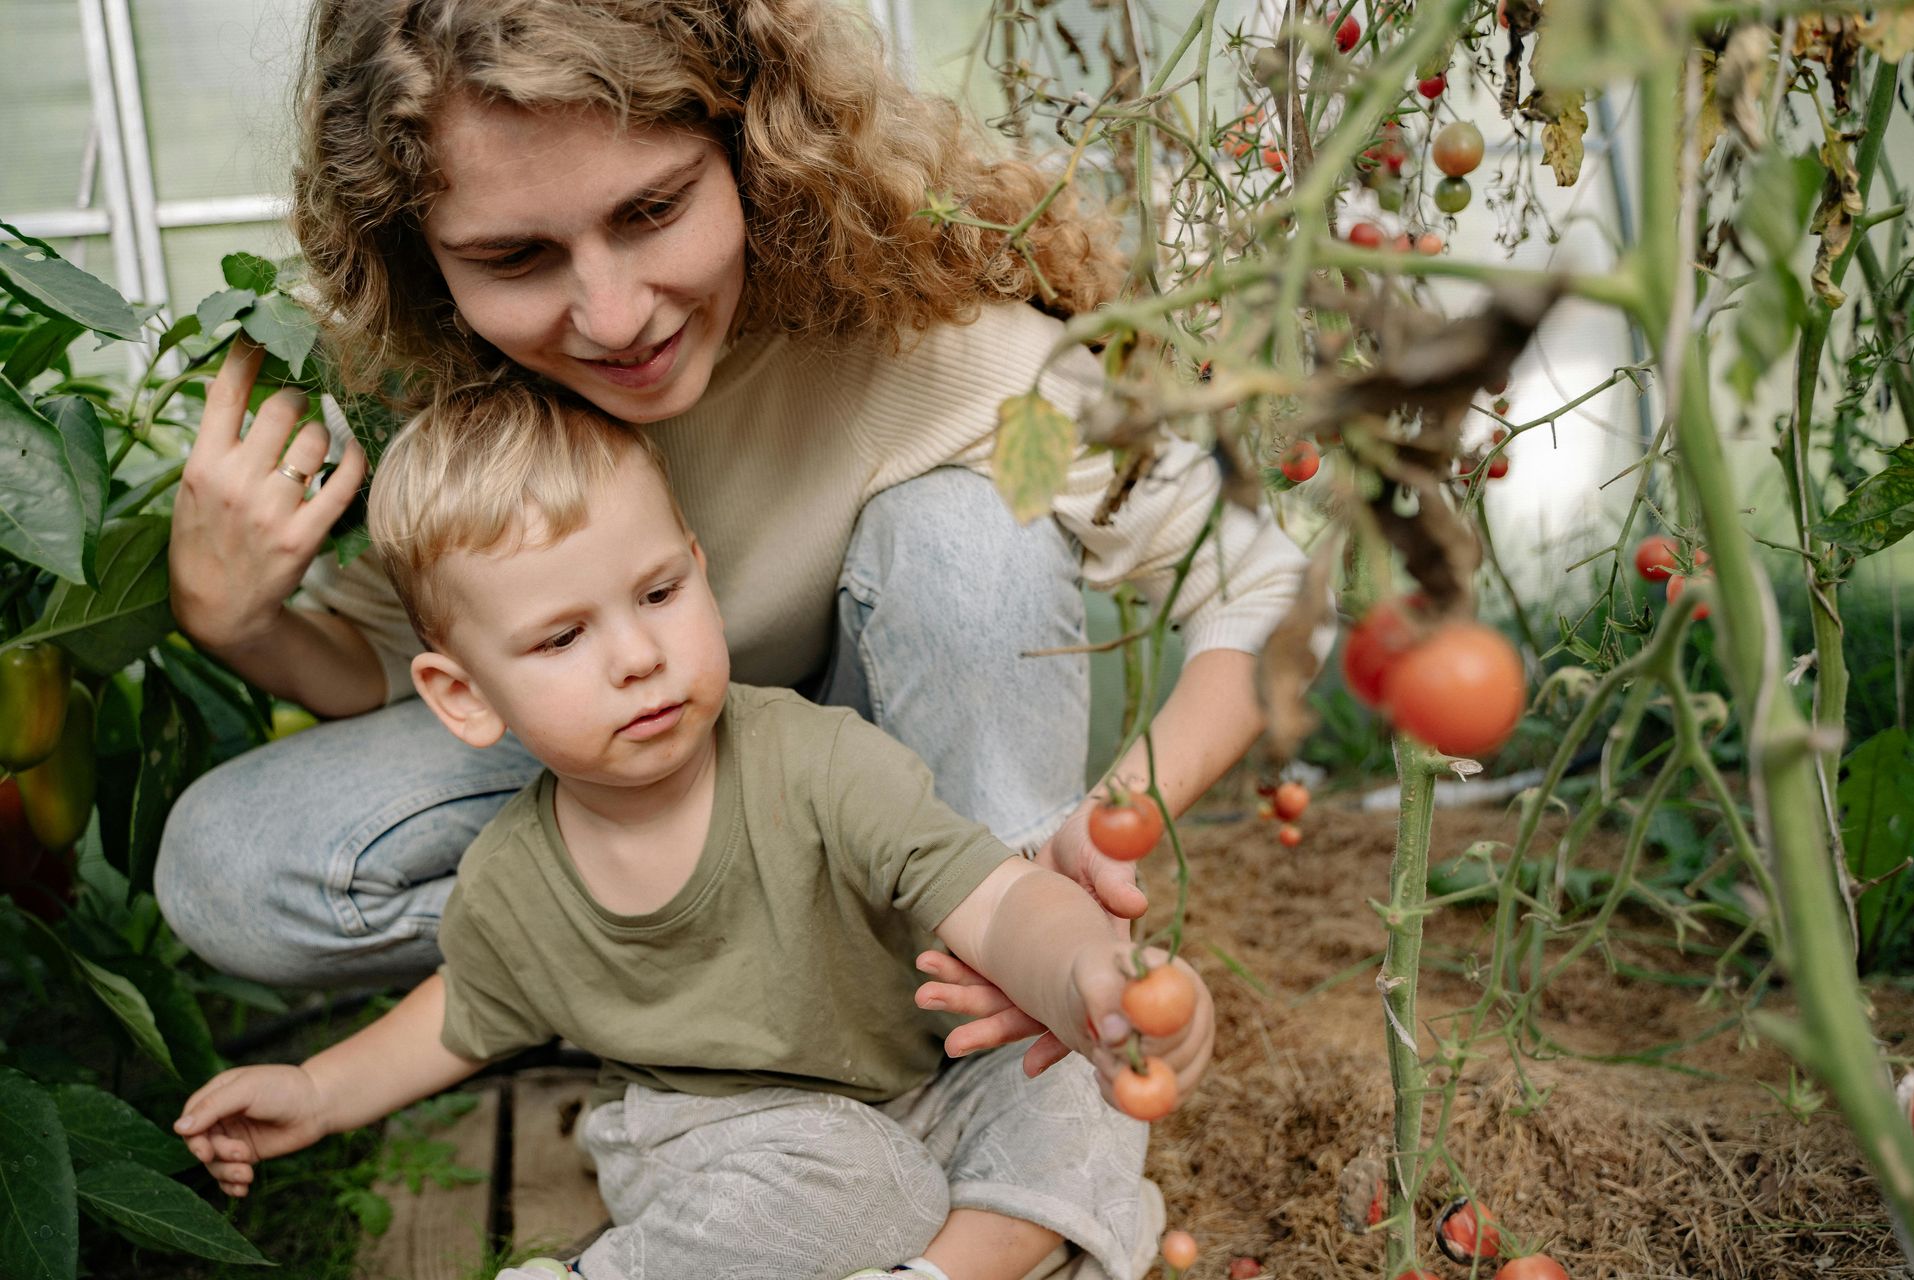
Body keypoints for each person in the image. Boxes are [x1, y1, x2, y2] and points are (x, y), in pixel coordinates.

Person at [157, 0, 1321, 1077]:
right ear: (423, 250)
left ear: (754, 151)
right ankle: (752, 996)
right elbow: (397, 663)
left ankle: (998, 975)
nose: (613, 318)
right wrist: (237, 619)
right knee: (228, 865)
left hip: (902, 799)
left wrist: (1111, 813)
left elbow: (1260, 576)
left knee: (970, 535)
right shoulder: (452, 388)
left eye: (653, 210)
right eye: (515, 257)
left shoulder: (929, 341)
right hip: (639, 790)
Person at [173, 383, 1215, 1280]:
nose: (637, 654)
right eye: (563, 635)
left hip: (915, 1082)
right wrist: (315, 1091)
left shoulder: (819, 762)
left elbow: (992, 895)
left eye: (661, 592)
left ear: (699, 569)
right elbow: (461, 1018)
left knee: (1077, 1090)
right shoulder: (517, 872)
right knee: (865, 1177)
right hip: (708, 1133)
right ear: (463, 694)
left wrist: (1084, 965)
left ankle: (931, 1271)